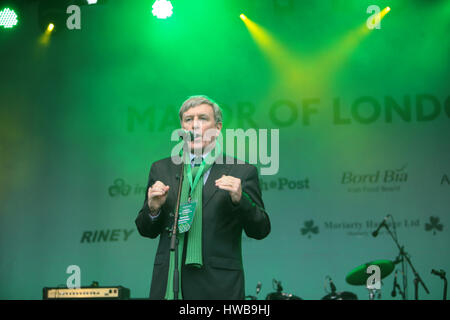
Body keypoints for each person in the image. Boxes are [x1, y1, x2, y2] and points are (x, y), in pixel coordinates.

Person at [135, 95, 270, 300]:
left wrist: (239, 199)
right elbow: (146, 230)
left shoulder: (241, 171)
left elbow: (260, 229)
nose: (194, 125)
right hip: (170, 281)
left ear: (217, 127)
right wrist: (153, 209)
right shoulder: (162, 168)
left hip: (218, 285)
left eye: (202, 118)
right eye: (188, 119)